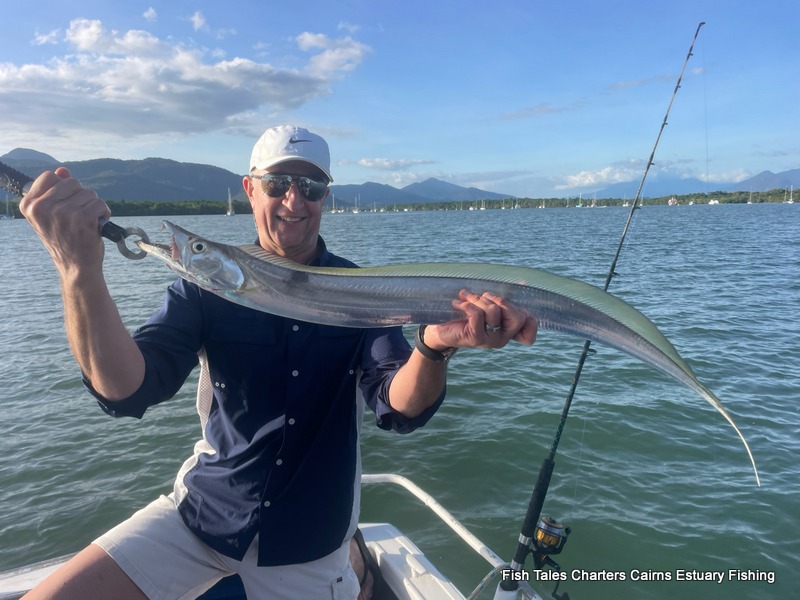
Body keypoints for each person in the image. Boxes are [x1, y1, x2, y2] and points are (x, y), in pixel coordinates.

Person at [19, 125, 537, 600]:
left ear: (325, 198)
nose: (294, 200)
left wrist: (433, 346)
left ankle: (353, 564)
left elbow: (396, 407)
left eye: (310, 187)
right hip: (202, 515)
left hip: (308, 544)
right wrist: (78, 270)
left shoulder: (360, 291)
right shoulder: (203, 288)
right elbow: (129, 389)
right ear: (250, 189)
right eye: (277, 184)